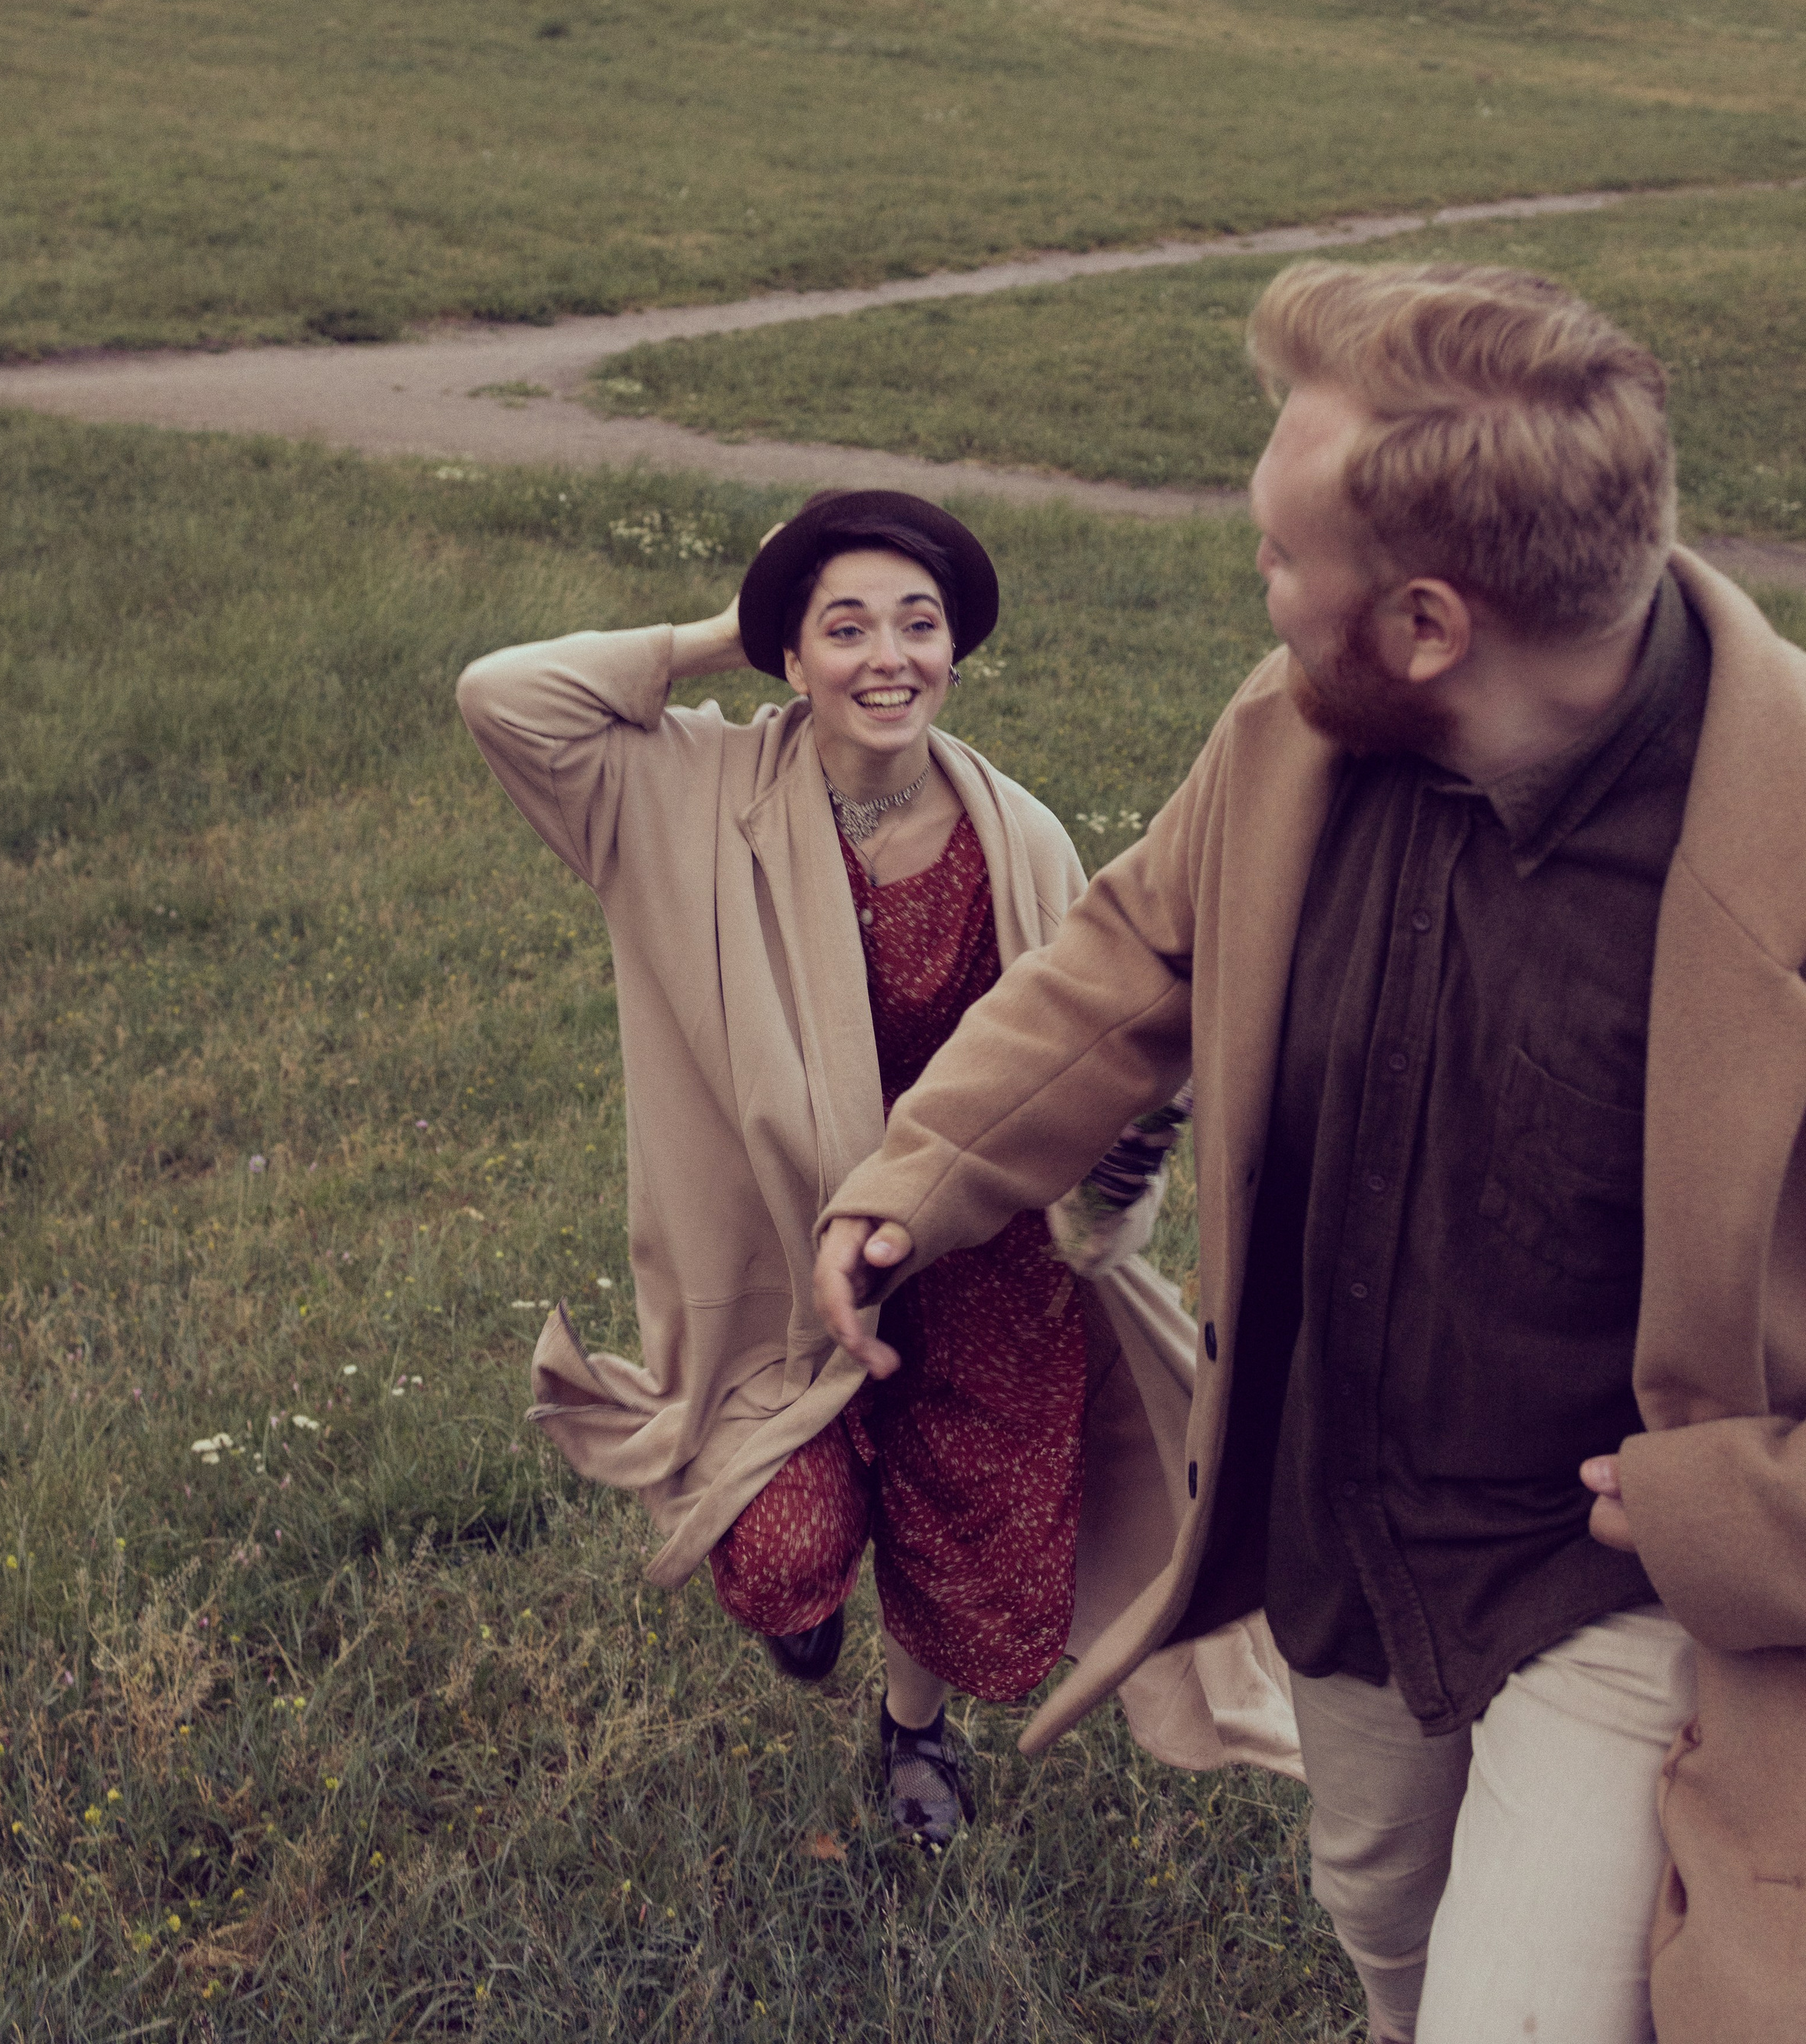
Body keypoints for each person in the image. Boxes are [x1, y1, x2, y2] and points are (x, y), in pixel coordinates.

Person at [814, 266, 1806, 2042]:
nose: (1255, 593)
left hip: (1615, 1585)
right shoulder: (1290, 736)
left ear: (1428, 621)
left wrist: (1733, 1512)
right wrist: (914, 1175)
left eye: (1281, 559)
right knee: (1386, 1924)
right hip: (1335, 1527)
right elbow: (1128, 957)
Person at [456, 489, 1297, 1849]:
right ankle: (805, 1611)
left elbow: (1084, 1042)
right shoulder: (680, 795)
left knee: (972, 1533)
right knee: (784, 1548)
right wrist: (724, 630)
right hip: (780, 1261)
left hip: (976, 1248)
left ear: (958, 648)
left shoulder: (1019, 835)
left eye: (919, 624)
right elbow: (506, 697)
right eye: (843, 629)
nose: (888, 657)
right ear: (789, 656)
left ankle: (915, 1729)